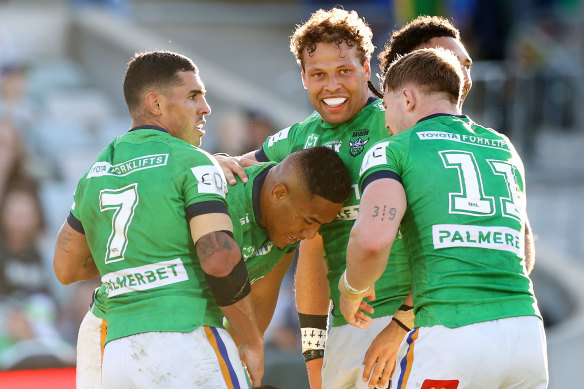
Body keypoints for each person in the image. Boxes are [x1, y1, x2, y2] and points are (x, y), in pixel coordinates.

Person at [216, 10, 478, 389]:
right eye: (318, 74)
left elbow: (447, 236)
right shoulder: (298, 139)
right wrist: (314, 353)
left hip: (416, 327)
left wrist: (403, 324)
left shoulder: (401, 123)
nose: (331, 85)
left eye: (344, 71)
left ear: (367, 68)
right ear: (303, 77)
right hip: (345, 332)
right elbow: (312, 255)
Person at [52, 50, 264, 389]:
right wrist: (251, 339)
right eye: (193, 96)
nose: (205, 108)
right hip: (188, 340)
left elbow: (65, 269)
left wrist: (142, 250)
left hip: (117, 352)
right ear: (156, 103)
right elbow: (220, 259)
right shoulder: (194, 161)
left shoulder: (96, 173)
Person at [340, 47, 548, 388]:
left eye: (387, 107)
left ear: (406, 98)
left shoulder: (393, 149)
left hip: (449, 332)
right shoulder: (503, 146)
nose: (387, 123)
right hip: (525, 333)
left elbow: (372, 240)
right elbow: (524, 252)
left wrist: (351, 291)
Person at [72, 145, 351, 389]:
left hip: (178, 330)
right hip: (119, 325)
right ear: (279, 193)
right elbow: (218, 264)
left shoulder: (287, 221)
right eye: (309, 221)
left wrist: (244, 347)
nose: (311, 234)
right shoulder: (219, 189)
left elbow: (262, 296)